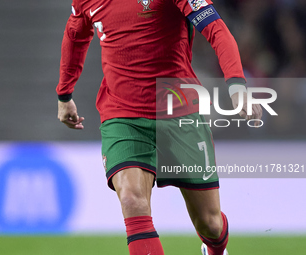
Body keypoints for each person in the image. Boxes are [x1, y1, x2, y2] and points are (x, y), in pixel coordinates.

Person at [56, 0, 262, 254]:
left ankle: (215, 250)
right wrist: (64, 94)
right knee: (132, 199)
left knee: (211, 224)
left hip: (179, 113)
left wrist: (236, 83)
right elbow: (75, 35)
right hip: (122, 115)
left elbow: (216, 30)